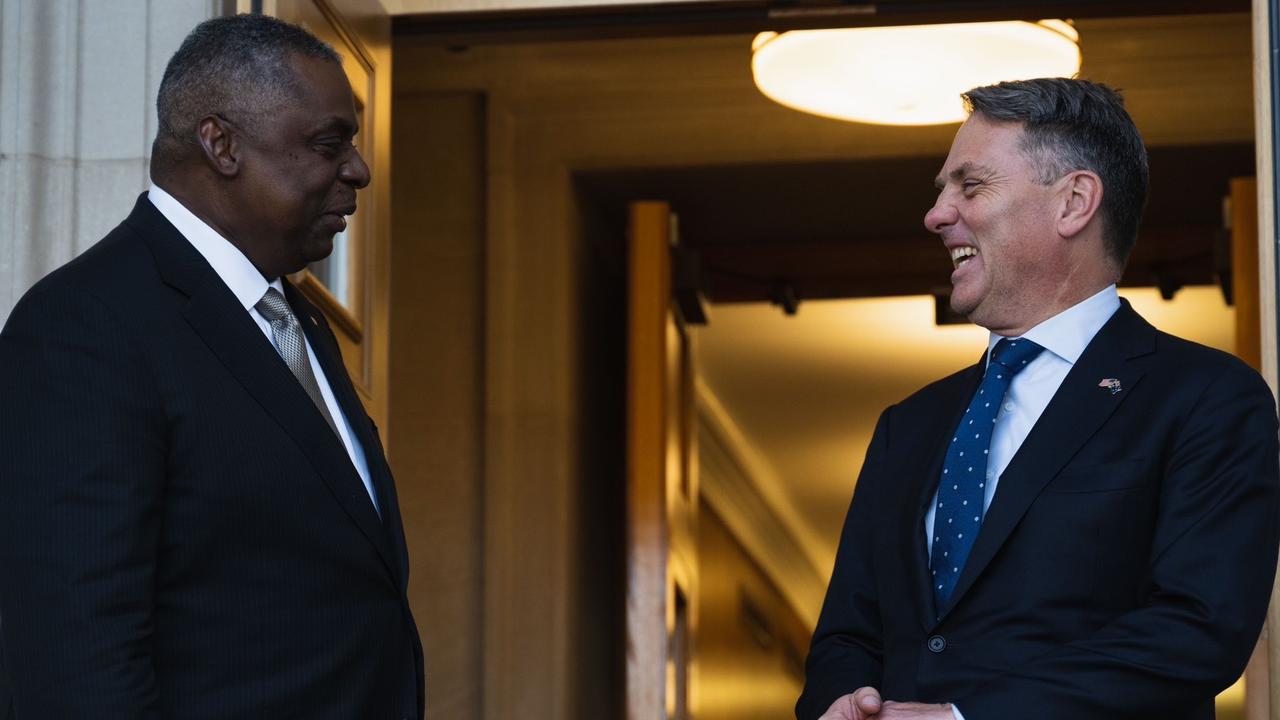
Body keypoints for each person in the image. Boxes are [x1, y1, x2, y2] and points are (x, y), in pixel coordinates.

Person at [796, 78, 1280, 720]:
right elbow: (848, 636)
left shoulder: (1204, 398)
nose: (937, 215)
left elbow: (1195, 631)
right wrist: (842, 704)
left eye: (970, 186)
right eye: (943, 191)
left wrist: (964, 718)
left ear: (1074, 202)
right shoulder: (907, 426)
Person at [0, 15, 423, 719]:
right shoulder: (83, 328)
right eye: (328, 142)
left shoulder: (296, 320)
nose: (360, 168)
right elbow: (75, 660)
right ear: (220, 144)